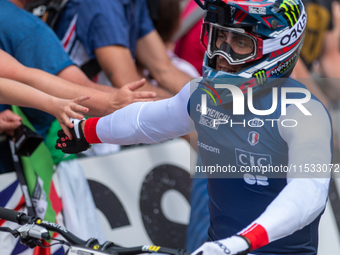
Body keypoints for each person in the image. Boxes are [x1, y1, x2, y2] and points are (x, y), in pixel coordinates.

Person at [56, 0, 333, 254]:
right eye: (218, 36)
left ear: (277, 48)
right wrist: (87, 132)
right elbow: (148, 120)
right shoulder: (203, 94)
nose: (221, 53)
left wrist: (241, 242)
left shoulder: (303, 111)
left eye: (239, 42)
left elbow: (310, 192)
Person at [52, 0, 191, 97]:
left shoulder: (135, 2)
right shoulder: (103, 4)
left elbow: (165, 69)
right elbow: (129, 84)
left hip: (98, 111)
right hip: (62, 120)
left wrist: (210, 98)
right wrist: (196, 116)